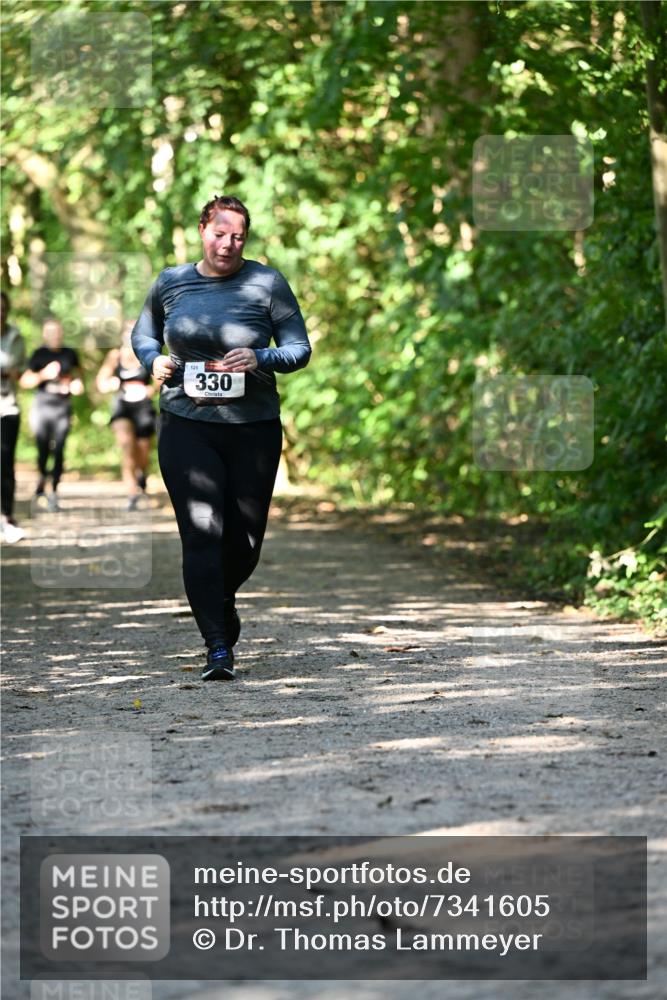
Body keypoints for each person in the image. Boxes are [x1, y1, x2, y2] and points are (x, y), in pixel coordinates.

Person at [132, 194, 311, 681]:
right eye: (219, 233)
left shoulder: (266, 282)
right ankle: (217, 644)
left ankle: (221, 605)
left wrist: (261, 358)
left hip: (252, 428)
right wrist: (153, 361)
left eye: (238, 237)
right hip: (186, 425)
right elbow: (143, 335)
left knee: (245, 541)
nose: (228, 245)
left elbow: (299, 347)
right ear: (202, 229)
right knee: (201, 532)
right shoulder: (171, 282)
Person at [19, 317, 84, 511]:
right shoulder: (38, 354)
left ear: (62, 333)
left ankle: (53, 491)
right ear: (44, 335)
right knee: (43, 449)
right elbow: (25, 381)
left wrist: (76, 385)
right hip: (42, 406)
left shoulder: (70, 354)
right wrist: (44, 374)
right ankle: (41, 481)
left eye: (57, 331)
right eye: (50, 332)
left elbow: (79, 378)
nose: (54, 335)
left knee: (60, 448)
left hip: (62, 407)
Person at [96, 319, 157, 510]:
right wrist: (110, 384)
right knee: (127, 447)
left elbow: (159, 377)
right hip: (122, 406)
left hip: (143, 408)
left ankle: (142, 473)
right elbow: (101, 382)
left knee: (143, 450)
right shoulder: (115, 356)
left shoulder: (146, 353)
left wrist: (151, 390)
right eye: (127, 331)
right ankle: (131, 493)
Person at [0, 291, 27, 543]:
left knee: (5, 461)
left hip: (7, 407)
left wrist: (12, 372)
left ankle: (6, 517)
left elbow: (22, 373)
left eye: (3, 309)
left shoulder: (16, 337)